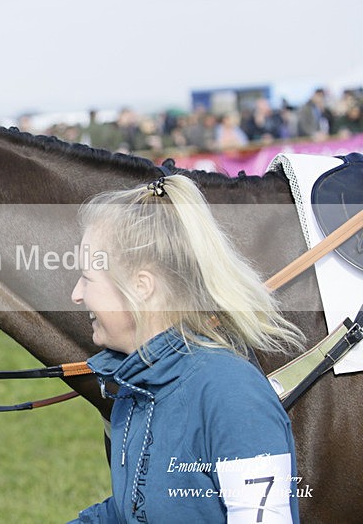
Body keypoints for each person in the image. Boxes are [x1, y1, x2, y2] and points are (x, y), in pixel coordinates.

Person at [69, 175, 303, 523]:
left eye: (87, 278)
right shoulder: (135, 391)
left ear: (141, 286)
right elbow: (130, 513)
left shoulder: (232, 395)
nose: (76, 294)